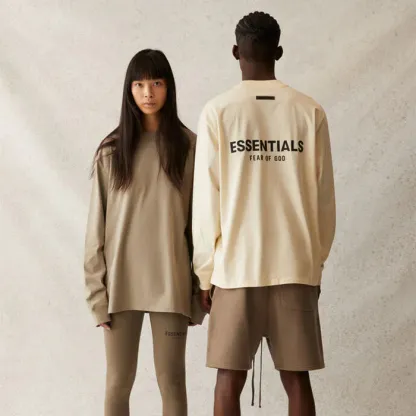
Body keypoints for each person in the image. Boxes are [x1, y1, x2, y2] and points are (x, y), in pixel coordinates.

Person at [192, 11, 336, 416]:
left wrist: (204, 272)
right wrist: (315, 262)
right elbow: (324, 200)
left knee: (228, 379)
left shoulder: (217, 112)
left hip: (236, 269)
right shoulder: (309, 112)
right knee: (297, 379)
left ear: (235, 52)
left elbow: (206, 203)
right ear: (279, 52)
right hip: (295, 265)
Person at [84, 48, 205, 416]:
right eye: (139, 84)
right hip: (120, 287)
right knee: (118, 384)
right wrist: (96, 294)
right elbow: (95, 230)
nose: (148, 92)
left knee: (173, 382)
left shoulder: (189, 148)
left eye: (156, 82)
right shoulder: (111, 151)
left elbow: (200, 225)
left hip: (171, 283)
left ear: (169, 87)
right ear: (129, 90)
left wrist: (200, 289)